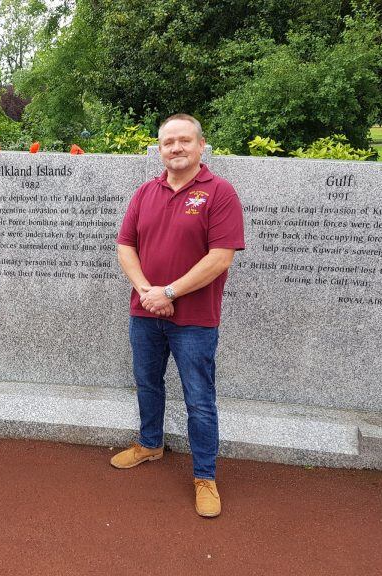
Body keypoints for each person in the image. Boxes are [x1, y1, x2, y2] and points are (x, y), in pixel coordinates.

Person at [111, 114, 245, 517]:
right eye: (169, 142)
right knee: (147, 384)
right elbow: (125, 246)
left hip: (195, 321)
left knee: (199, 400)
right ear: (160, 148)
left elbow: (221, 257)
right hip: (145, 313)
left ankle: (205, 475)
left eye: (185, 140)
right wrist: (147, 293)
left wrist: (168, 292)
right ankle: (151, 443)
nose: (176, 148)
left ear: (202, 145)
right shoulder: (145, 192)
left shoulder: (220, 193)